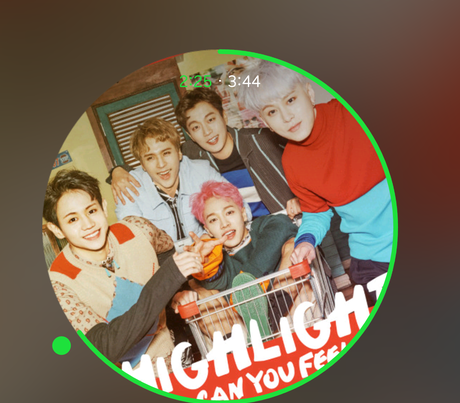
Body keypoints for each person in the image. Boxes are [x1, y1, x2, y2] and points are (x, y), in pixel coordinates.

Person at [237, 61, 393, 300]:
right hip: (369, 261)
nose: (287, 117)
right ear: (265, 122)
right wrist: (306, 242)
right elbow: (316, 212)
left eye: (290, 100)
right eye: (272, 112)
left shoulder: (352, 113)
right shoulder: (292, 162)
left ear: (309, 92)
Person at [44, 169, 203, 371]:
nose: (88, 224)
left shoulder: (137, 229)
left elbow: (166, 249)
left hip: (179, 351)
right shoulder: (59, 282)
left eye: (91, 211)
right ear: (57, 229)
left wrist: (176, 292)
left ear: (103, 207)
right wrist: (168, 278)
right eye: (72, 219)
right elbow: (104, 347)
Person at [111, 87, 301, 217]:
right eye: (196, 127)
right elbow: (156, 159)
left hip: (288, 223)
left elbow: (306, 155)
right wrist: (117, 171)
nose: (207, 131)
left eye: (211, 120)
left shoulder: (262, 139)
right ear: (190, 135)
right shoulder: (190, 154)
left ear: (224, 116)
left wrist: (301, 198)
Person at [172, 180, 299, 340]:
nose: (224, 224)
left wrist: (246, 282)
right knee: (198, 288)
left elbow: (282, 225)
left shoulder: (261, 228)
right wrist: (206, 259)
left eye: (229, 212)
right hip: (243, 327)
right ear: (207, 230)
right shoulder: (220, 258)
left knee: (295, 245)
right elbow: (214, 281)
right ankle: (232, 346)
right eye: (213, 220)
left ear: (243, 214)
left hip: (283, 310)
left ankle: (269, 319)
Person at [114, 117, 249, 241]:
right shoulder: (128, 186)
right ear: (142, 164)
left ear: (179, 153)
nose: (161, 164)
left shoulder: (201, 171)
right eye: (150, 158)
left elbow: (241, 207)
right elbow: (129, 240)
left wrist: (207, 238)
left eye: (166, 153)